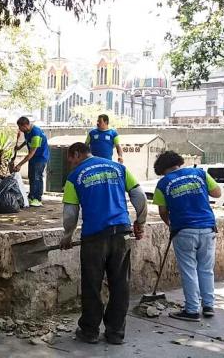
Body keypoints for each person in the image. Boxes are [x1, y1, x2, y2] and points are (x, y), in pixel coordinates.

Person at [60, 142, 147, 345]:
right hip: (121, 233)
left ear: (76, 153)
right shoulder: (119, 168)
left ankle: (89, 331)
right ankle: (115, 333)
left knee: (91, 285)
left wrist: (67, 235)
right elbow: (139, 196)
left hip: (94, 237)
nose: (71, 164)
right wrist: (140, 223)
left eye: (70, 159)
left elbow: (70, 213)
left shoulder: (74, 177)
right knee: (120, 285)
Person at [152, 151, 222, 322]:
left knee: (189, 270)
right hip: (207, 227)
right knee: (206, 269)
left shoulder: (163, 184)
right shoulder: (200, 174)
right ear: (178, 162)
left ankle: (191, 310)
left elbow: (162, 211)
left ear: (162, 169)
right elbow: (217, 193)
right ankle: (208, 306)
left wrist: (172, 225)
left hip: (183, 230)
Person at [13, 117, 49, 207]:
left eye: (20, 127)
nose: (19, 129)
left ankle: (37, 198)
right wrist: (19, 147)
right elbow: (27, 141)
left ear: (25, 125)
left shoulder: (36, 133)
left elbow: (32, 152)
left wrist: (19, 165)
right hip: (33, 157)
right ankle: (31, 196)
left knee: (37, 177)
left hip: (40, 157)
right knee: (31, 176)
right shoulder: (26, 131)